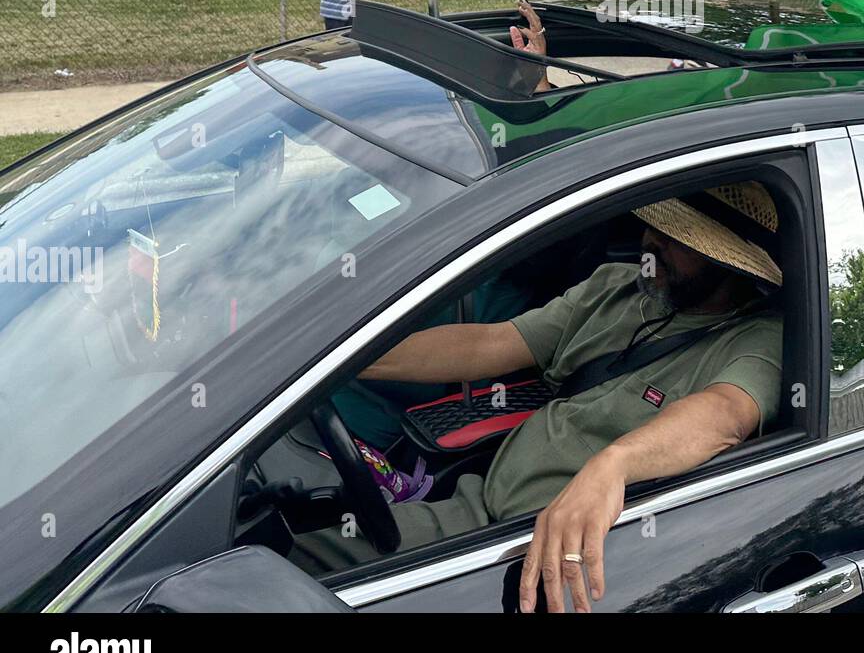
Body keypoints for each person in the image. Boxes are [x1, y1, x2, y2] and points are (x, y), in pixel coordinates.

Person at [293, 180, 785, 613]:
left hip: (540, 548)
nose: (650, 242)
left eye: (679, 241)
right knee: (297, 556)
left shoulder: (757, 341)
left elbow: (725, 414)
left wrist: (613, 465)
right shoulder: (614, 287)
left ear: (727, 263)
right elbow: (493, 343)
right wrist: (339, 360)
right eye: (658, 225)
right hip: (477, 506)